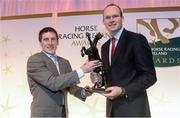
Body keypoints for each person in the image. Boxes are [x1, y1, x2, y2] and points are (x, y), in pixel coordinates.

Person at [90, 3, 157, 117]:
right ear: (103, 22)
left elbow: (149, 76)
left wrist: (123, 90)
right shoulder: (105, 47)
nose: (111, 20)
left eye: (115, 16)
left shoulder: (136, 40)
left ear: (122, 18)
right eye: (107, 17)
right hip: (112, 111)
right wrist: (99, 80)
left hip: (133, 110)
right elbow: (110, 77)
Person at [27, 27, 101, 117]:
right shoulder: (35, 60)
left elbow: (69, 86)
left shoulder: (64, 62)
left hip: (63, 114)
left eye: (53, 39)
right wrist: (82, 70)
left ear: (57, 41)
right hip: (43, 115)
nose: (50, 43)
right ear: (40, 42)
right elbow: (53, 83)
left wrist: (83, 92)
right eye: (46, 39)